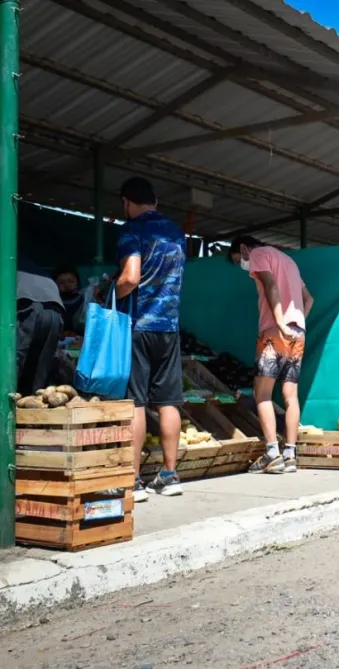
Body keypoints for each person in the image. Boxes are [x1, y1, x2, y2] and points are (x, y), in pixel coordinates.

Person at [116, 177, 187, 502]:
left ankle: (133, 481)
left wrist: (108, 293)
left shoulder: (132, 229)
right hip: (169, 328)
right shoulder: (175, 232)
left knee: (136, 402)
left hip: (139, 326)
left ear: (126, 202)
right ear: (155, 201)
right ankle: (170, 475)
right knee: (169, 400)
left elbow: (130, 277)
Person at [228, 236, 314, 475]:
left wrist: (279, 322)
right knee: (290, 396)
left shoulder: (258, 254)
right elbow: (309, 299)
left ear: (244, 248)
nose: (244, 265)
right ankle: (290, 455)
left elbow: (270, 286)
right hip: (298, 333)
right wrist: (297, 324)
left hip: (274, 331)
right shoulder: (290, 262)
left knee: (262, 394)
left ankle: (272, 453)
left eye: (240, 259)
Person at [16, 257, 64, 395]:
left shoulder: (9, 260)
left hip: (27, 305)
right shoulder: (27, 263)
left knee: (14, 358)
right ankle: (35, 401)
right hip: (55, 309)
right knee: (41, 366)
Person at [53, 266, 87, 334]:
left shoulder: (85, 299)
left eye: (71, 281)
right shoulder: (53, 302)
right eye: (61, 283)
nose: (67, 285)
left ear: (77, 282)